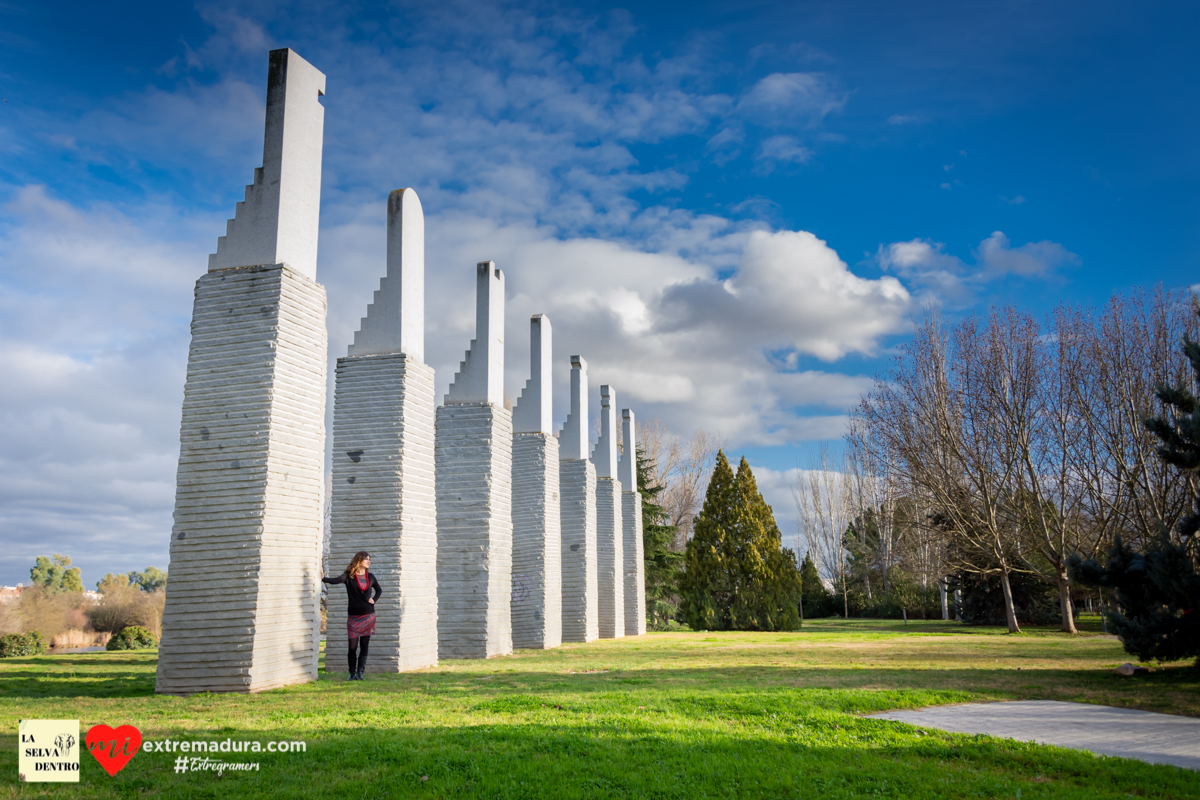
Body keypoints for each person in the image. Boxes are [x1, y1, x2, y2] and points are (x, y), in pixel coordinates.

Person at [322, 551, 381, 681]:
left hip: (368, 615)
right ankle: (352, 673)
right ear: (359, 561)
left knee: (364, 645)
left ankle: (360, 672)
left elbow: (379, 590)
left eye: (369, 559)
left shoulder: (370, 577)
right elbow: (336, 580)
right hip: (353, 617)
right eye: (367, 559)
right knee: (352, 647)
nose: (369, 561)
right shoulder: (349, 576)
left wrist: (374, 599)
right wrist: (323, 578)